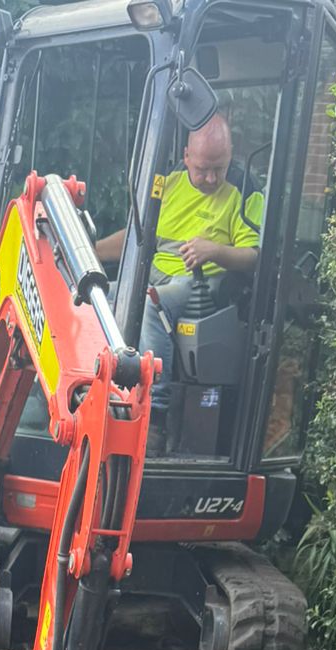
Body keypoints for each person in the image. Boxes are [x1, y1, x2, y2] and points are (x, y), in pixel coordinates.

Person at [95, 113, 258, 440]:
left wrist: (215, 250)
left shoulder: (244, 193)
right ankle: (95, 394)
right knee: (95, 299)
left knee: (151, 305)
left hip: (201, 285)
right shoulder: (167, 186)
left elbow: (254, 257)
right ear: (186, 157)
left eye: (219, 168)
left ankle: (155, 413)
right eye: (203, 169)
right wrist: (90, 251)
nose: (212, 178)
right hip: (154, 275)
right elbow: (139, 238)